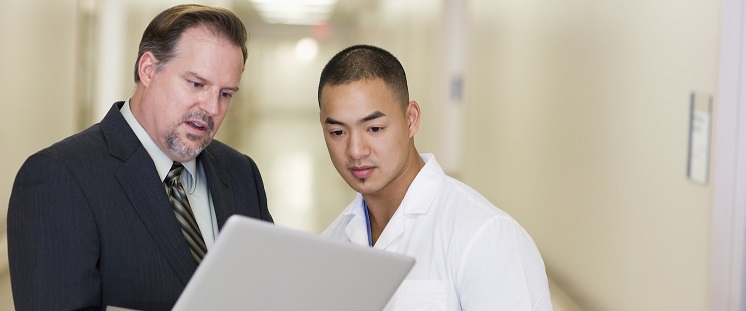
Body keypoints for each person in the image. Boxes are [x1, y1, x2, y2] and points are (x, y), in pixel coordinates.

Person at [7, 4, 273, 310]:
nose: (212, 108)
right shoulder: (59, 177)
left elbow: (265, 291)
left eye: (226, 93)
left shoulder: (241, 173)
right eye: (197, 84)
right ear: (148, 69)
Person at [318, 44, 552, 310]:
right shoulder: (332, 243)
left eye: (374, 128)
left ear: (411, 119)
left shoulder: (484, 236)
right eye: (338, 132)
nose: (355, 150)